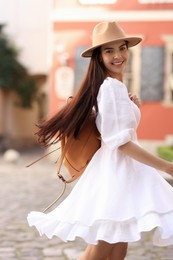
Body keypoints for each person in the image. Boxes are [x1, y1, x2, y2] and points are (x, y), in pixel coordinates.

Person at [27, 21, 173, 260]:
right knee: (103, 248)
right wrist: (167, 166)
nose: (118, 55)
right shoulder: (111, 88)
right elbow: (121, 143)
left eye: (122, 48)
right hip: (115, 173)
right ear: (98, 56)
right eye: (109, 50)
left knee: (118, 247)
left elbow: (117, 130)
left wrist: (131, 107)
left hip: (119, 172)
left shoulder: (111, 87)